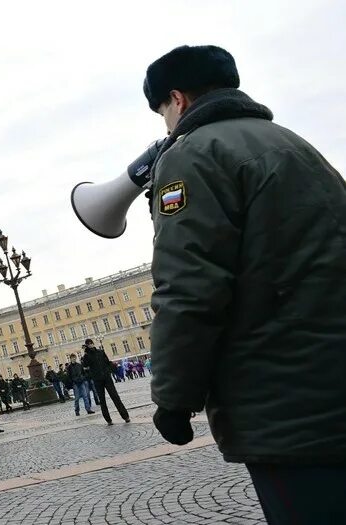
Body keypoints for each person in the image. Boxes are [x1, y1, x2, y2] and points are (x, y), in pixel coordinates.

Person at [142, 44, 346, 524]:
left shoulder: (192, 156)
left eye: (162, 112)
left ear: (178, 99)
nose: (165, 126)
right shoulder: (293, 144)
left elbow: (189, 288)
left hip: (285, 402)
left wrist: (174, 399)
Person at [81, 339, 130, 425]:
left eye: (91, 343)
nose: (90, 345)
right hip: (97, 380)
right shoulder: (87, 355)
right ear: (87, 346)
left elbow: (107, 362)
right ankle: (108, 420)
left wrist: (108, 371)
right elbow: (85, 365)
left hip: (107, 378)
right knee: (102, 401)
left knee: (115, 396)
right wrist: (85, 353)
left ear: (93, 343)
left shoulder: (100, 352)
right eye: (88, 344)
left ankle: (125, 416)